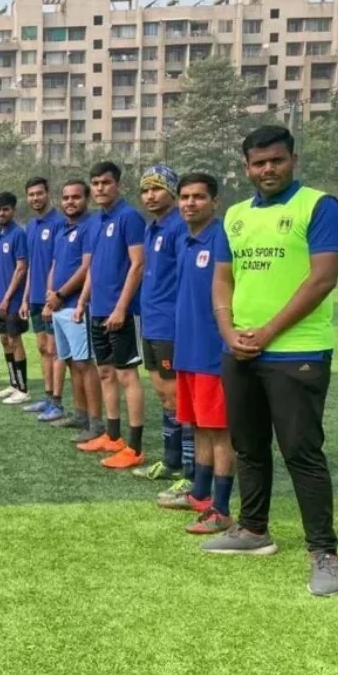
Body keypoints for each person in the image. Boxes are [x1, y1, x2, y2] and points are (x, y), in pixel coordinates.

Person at [206, 125, 338, 598]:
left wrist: (267, 332)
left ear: (293, 160)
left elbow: (322, 279)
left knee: (301, 451)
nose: (268, 169)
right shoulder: (235, 216)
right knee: (248, 445)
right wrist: (229, 332)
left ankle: (324, 551)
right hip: (240, 349)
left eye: (277, 160)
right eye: (259, 163)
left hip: (298, 350)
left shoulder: (319, 206)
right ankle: (253, 529)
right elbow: (223, 280)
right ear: (246, 167)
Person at [156, 173, 235, 535]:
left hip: (212, 354)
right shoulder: (185, 241)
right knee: (199, 426)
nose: (190, 203)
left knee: (220, 432)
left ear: (214, 202)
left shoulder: (221, 239)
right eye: (185, 197)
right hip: (187, 351)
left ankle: (222, 508)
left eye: (199, 197)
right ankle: (200, 495)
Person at [75, 161, 147, 470]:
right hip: (97, 310)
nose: (100, 188)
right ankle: (113, 436)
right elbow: (92, 267)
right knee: (105, 372)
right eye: (96, 183)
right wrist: (83, 302)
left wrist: (121, 307)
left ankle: (135, 447)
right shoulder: (95, 222)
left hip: (122, 312)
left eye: (106, 182)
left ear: (117, 184)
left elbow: (138, 264)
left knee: (127, 375)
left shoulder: (129, 217)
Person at [133, 165, 192, 487]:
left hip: (170, 325)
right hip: (151, 323)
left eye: (157, 189)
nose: (150, 196)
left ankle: (189, 469)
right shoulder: (151, 227)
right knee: (163, 395)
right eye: (145, 190)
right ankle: (171, 461)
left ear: (172, 192)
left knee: (177, 397)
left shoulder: (179, 227)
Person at [44, 179, 103, 438]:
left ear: (86, 199)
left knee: (84, 363)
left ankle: (96, 422)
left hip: (76, 305)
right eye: (66, 197)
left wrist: (61, 294)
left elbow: (87, 267)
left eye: (76, 197)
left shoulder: (90, 227)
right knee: (70, 361)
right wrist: (50, 296)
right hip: (58, 305)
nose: (70, 202)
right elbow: (55, 265)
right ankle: (80, 414)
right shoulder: (63, 230)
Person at [19, 176, 67, 420]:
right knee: (42, 348)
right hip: (36, 298)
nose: (35, 198)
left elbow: (59, 264)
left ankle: (57, 403)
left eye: (39, 193)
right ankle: (48, 397)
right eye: (31, 194)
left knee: (54, 349)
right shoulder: (31, 226)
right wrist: (26, 298)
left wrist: (51, 299)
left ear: (48, 193)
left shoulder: (59, 223)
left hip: (53, 299)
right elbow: (30, 266)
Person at [0, 192, 30, 405]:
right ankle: (13, 384)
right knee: (4, 340)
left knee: (14, 340)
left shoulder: (18, 234)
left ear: (13, 210)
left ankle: (22, 388)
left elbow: (21, 268)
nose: (1, 213)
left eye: (5, 209)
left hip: (13, 301)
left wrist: (6, 298)